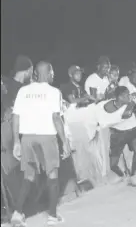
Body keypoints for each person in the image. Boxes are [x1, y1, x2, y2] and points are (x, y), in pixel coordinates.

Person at [11, 61, 71, 226]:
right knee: (52, 175)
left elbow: (15, 117)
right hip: (47, 137)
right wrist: (64, 142)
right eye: (52, 73)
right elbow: (56, 118)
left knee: (28, 176)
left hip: (28, 138)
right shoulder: (54, 92)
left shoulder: (23, 91)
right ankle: (52, 215)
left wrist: (16, 141)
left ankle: (17, 212)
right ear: (49, 73)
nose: (53, 75)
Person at [97, 86, 136, 186]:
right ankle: (124, 176)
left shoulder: (131, 104)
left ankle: (132, 175)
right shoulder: (107, 107)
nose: (129, 96)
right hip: (117, 134)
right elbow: (103, 120)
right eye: (127, 95)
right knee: (113, 165)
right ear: (120, 97)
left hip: (132, 132)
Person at [1, 55, 33, 122]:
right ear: (27, 71)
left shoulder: (28, 88)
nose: (32, 75)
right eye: (31, 71)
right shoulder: (5, 86)